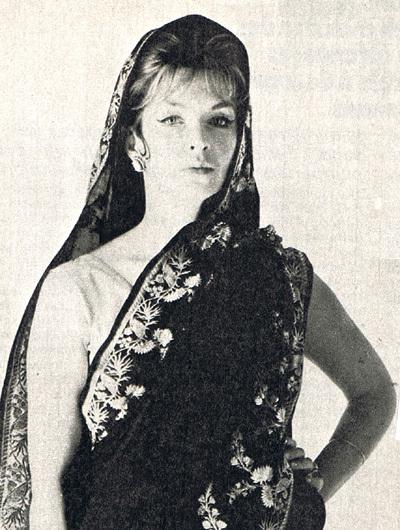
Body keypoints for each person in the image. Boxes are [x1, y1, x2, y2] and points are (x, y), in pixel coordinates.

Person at [0, 14, 395, 530]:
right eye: (172, 120)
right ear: (134, 141)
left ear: (240, 135)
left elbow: (375, 395)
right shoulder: (78, 289)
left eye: (219, 120)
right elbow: (46, 493)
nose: (199, 141)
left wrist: (306, 492)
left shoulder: (279, 276)